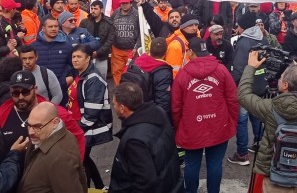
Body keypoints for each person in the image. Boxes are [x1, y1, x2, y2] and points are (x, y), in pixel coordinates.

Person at [238, 51, 297, 193]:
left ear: (285, 85)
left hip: (275, 177)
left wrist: (250, 67)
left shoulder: (269, 107)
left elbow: (243, 95)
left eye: (281, 78)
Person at [172, 38, 238, 193]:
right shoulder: (222, 70)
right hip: (218, 125)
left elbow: (176, 107)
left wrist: (178, 127)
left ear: (190, 52)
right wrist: (231, 122)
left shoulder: (182, 75)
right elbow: (233, 99)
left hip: (192, 127)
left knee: (191, 164)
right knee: (215, 164)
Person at [110, 82, 183, 193]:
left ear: (122, 108)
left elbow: (145, 183)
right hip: (172, 184)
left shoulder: (134, 141)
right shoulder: (158, 113)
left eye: (114, 104)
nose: (113, 107)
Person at [68, 44, 112, 190]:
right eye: (73, 57)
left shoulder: (93, 79)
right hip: (79, 125)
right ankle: (100, 187)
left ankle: (88, 188)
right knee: (85, 159)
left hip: (86, 127)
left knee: (82, 160)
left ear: (88, 59)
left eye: (79, 57)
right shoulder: (81, 73)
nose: (75, 60)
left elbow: (92, 113)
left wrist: (77, 129)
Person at [17, 102, 87, 192]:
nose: (31, 132)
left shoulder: (60, 157)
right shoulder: (44, 137)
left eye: (37, 127)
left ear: (55, 122)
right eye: (29, 125)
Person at [229, 11, 267, 165]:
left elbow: (238, 69)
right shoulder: (263, 39)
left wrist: (235, 86)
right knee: (256, 116)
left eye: (238, 26)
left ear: (243, 26)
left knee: (242, 120)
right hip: (260, 86)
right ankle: (258, 144)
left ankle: (242, 153)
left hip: (246, 87)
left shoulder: (243, 42)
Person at [31, 16, 72, 104]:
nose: (54, 29)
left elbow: (73, 65)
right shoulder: (34, 47)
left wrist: (69, 79)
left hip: (61, 88)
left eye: (56, 26)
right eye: (50, 26)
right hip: (39, 91)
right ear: (43, 28)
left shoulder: (67, 46)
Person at [132, 37, 173, 116]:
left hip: (133, 110)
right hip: (149, 114)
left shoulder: (136, 62)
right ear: (166, 52)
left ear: (150, 50)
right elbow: (163, 101)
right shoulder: (163, 72)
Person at [80, 0, 116, 80]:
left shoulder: (109, 22)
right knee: (86, 78)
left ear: (101, 9)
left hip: (102, 56)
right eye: (92, 8)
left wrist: (99, 52)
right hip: (87, 56)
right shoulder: (84, 22)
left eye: (95, 9)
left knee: (101, 78)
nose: (93, 11)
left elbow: (110, 40)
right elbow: (80, 37)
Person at [111, 0, 140, 84]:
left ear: (131, 3)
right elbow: (110, 28)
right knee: (117, 72)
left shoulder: (137, 14)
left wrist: (137, 46)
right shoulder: (115, 13)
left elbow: (141, 32)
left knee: (132, 72)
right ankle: (119, 92)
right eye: (122, 3)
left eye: (126, 3)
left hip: (132, 50)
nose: (124, 5)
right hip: (117, 49)